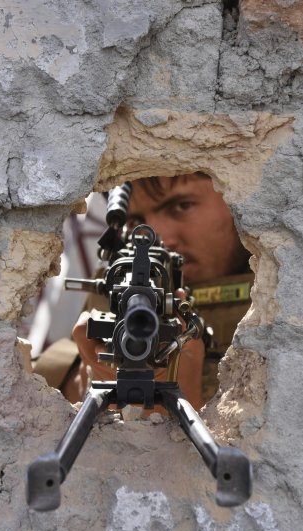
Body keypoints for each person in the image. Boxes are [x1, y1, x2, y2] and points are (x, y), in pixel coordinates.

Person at [35, 172, 253, 410]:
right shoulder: (115, 284)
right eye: (135, 220)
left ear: (240, 202)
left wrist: (179, 397)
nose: (159, 238)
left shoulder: (278, 302)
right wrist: (88, 377)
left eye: (182, 206)